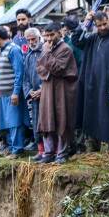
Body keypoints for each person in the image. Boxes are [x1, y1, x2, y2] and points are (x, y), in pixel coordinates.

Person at [73, 11, 109, 153]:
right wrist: (86, 23)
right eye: (99, 25)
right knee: (92, 116)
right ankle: (94, 149)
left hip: (107, 86)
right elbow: (76, 41)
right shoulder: (92, 38)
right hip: (92, 86)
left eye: (104, 24)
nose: (102, 27)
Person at [36, 22, 78, 164]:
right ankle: (48, 152)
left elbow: (58, 69)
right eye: (46, 36)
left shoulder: (65, 49)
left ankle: (61, 153)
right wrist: (47, 67)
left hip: (62, 90)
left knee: (61, 119)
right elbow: (39, 68)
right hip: (48, 88)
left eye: (51, 35)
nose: (48, 39)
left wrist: (47, 56)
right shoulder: (45, 49)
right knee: (47, 119)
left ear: (59, 33)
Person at [0, 26, 27, 158]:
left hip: (12, 93)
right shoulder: (3, 51)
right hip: (4, 94)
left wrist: (16, 92)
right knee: (8, 122)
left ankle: (17, 149)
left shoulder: (13, 49)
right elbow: (4, 71)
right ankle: (13, 148)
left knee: (14, 122)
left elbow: (19, 73)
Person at [22, 27, 45, 160]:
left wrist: (42, 89)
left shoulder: (45, 52)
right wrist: (30, 91)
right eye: (28, 40)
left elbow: (50, 74)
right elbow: (25, 78)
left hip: (46, 94)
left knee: (47, 122)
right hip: (34, 97)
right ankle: (41, 150)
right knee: (36, 123)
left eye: (33, 39)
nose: (31, 42)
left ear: (39, 38)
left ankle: (50, 150)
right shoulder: (29, 55)